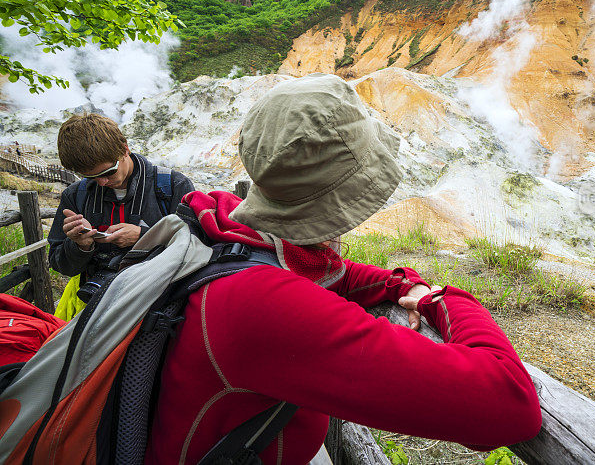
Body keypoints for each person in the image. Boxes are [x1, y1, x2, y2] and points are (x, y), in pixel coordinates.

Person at [145, 74, 542, 464]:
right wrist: (441, 297)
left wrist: (399, 282)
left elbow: (332, 272)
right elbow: (509, 404)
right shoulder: (263, 309)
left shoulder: (222, 224)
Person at [48, 113, 195, 298]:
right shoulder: (76, 195)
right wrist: (81, 246)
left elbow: (196, 249)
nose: (102, 182)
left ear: (125, 148)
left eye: (109, 172)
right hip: (97, 303)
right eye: (91, 177)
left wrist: (144, 237)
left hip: (161, 302)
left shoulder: (174, 186)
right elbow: (61, 265)